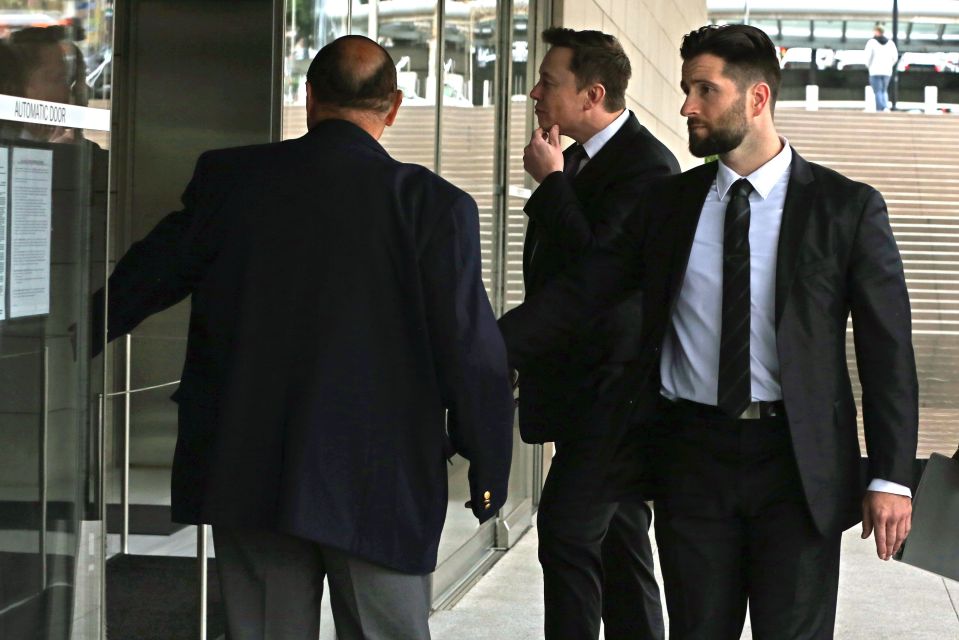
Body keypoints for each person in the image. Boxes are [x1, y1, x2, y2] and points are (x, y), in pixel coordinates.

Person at [499, 23, 918, 639]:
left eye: (704, 90)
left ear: (757, 99)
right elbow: (580, 294)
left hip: (796, 464)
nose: (686, 105)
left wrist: (890, 476)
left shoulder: (844, 207)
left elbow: (887, 350)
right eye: (686, 88)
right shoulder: (666, 204)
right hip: (691, 457)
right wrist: (473, 349)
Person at [94, 35, 514, 640]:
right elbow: (471, 349)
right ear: (393, 107)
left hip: (248, 465)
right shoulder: (432, 205)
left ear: (310, 97)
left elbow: (144, 279)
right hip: (381, 478)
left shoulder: (231, 181)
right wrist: (489, 460)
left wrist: (71, 336)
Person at [519, 27, 677, 640]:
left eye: (549, 82)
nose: (535, 92)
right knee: (619, 541)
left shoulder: (646, 167)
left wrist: (553, 185)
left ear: (593, 94)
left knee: (565, 536)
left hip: (616, 396)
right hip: (584, 392)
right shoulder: (582, 157)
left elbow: (599, 275)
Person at [865, 24, 898, 112]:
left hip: (875, 70)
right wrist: (890, 65)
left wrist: (868, 66)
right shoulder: (890, 43)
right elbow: (895, 57)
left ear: (876, 31)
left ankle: (881, 108)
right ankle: (885, 106)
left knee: (877, 90)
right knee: (884, 90)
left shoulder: (871, 42)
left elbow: (867, 57)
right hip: (887, 71)